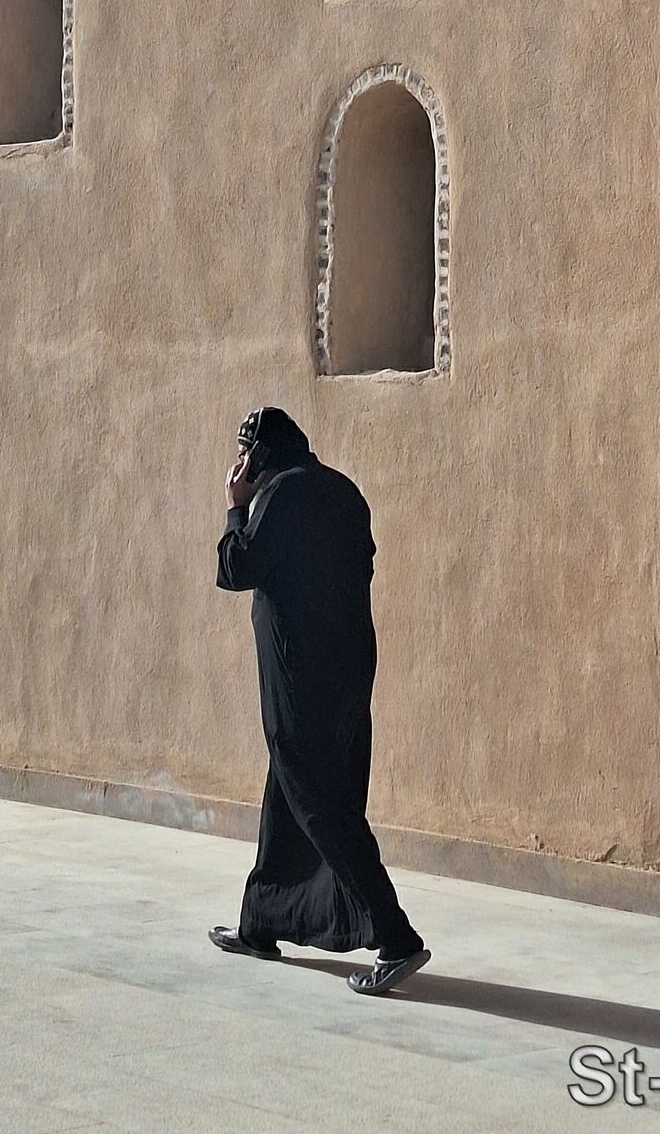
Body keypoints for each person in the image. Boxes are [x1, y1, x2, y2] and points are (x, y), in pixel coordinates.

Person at [209, 406, 430, 997]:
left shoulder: (281, 495)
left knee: (319, 803)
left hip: (299, 677)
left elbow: (235, 567)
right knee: (287, 794)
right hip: (347, 672)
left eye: (245, 453)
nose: (239, 464)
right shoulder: (343, 491)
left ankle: (396, 936)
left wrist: (235, 506)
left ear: (262, 455)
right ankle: (261, 922)